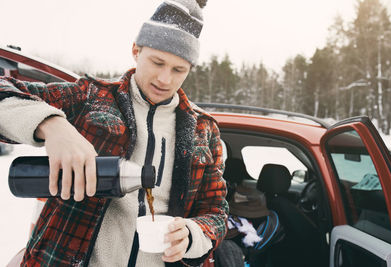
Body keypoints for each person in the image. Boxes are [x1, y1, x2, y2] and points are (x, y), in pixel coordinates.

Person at [0, 0, 228, 266]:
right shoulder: (89, 97)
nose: (165, 79)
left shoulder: (204, 129)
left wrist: (192, 235)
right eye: (157, 62)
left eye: (179, 70)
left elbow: (216, 211)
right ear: (136, 50)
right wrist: (51, 124)